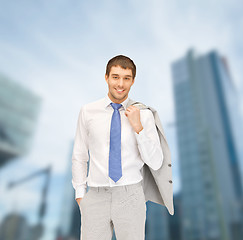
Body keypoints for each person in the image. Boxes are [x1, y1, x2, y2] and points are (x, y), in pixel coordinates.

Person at [71, 55, 164, 240]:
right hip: (96, 195)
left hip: (131, 194)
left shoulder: (144, 115)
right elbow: (80, 155)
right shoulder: (88, 111)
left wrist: (138, 128)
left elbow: (155, 162)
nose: (120, 84)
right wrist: (81, 195)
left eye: (126, 78)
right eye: (115, 77)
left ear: (133, 81)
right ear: (106, 77)